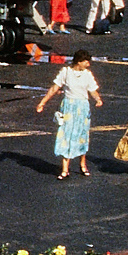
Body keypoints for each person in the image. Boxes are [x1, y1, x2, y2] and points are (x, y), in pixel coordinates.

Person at [35, 49, 103, 178]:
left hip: (82, 107)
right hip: (69, 107)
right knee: (66, 136)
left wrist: (98, 99)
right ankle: (65, 169)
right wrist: (42, 102)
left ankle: (83, 164)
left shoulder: (87, 74)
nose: (88, 64)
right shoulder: (66, 72)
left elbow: (93, 89)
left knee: (82, 135)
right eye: (86, 61)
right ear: (79, 61)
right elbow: (55, 88)